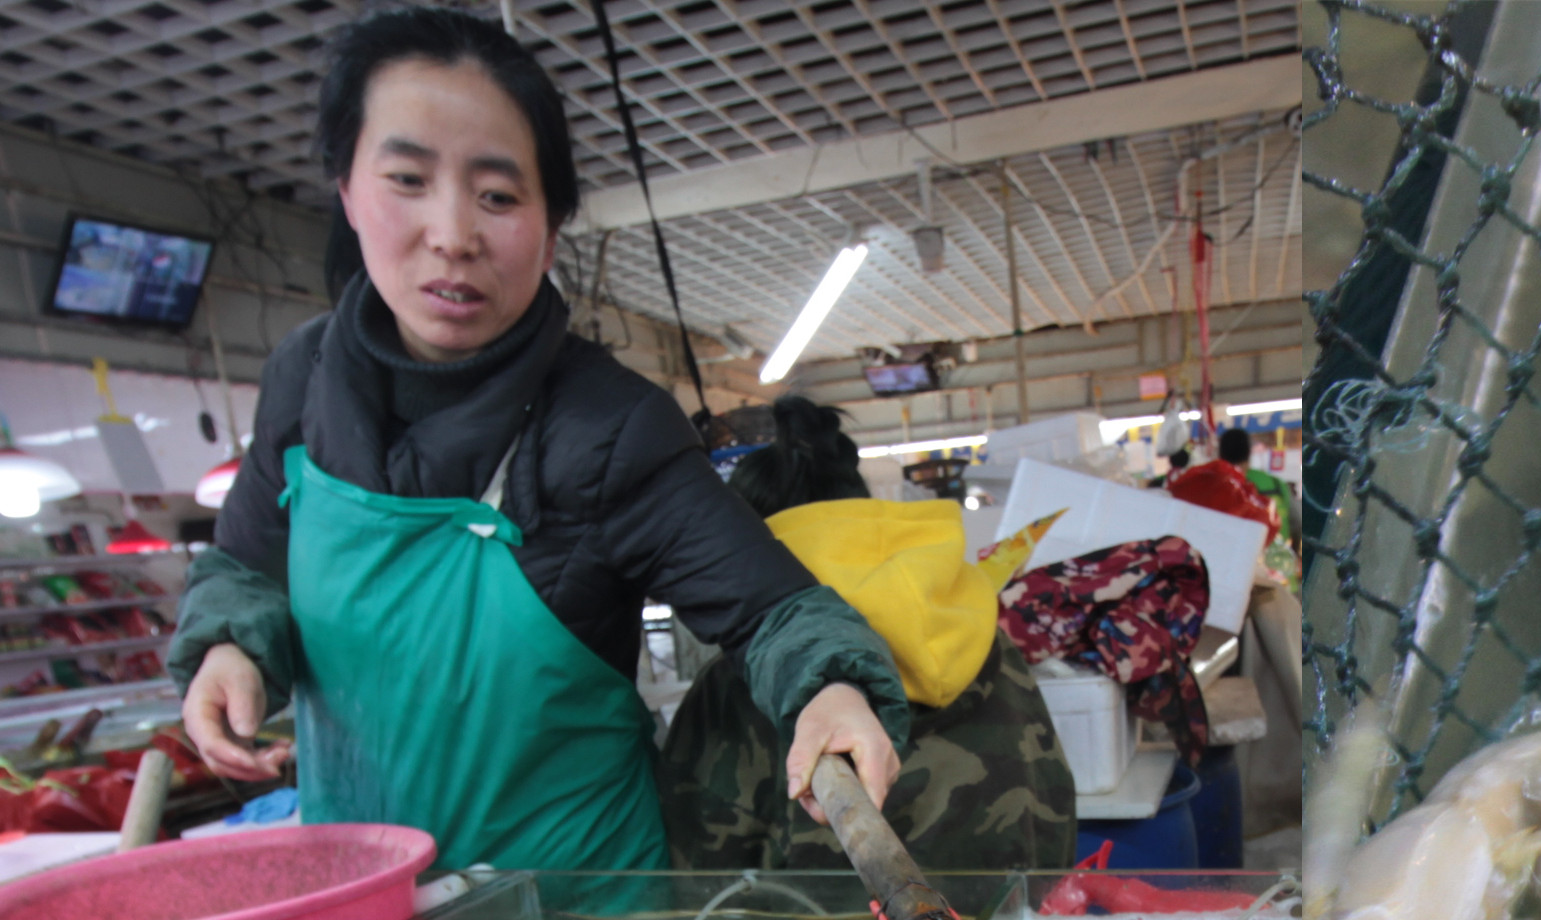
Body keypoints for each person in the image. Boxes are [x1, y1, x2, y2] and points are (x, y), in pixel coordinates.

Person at [169, 7, 908, 871]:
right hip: (364, 907)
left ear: (551, 226)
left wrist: (833, 688)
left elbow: (779, 611)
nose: (452, 234)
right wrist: (230, 641)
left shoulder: (610, 427)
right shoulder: (302, 381)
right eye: (407, 178)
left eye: (497, 196)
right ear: (348, 190)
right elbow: (247, 564)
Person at [661, 397, 1078, 873]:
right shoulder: (977, 625)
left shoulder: (745, 675)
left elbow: (701, 880)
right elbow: (1053, 801)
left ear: (738, 538)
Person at [1166, 427, 1277, 543]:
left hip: (1184, 555)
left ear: (1220, 453)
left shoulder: (1194, 478)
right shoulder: (1251, 499)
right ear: (1248, 458)